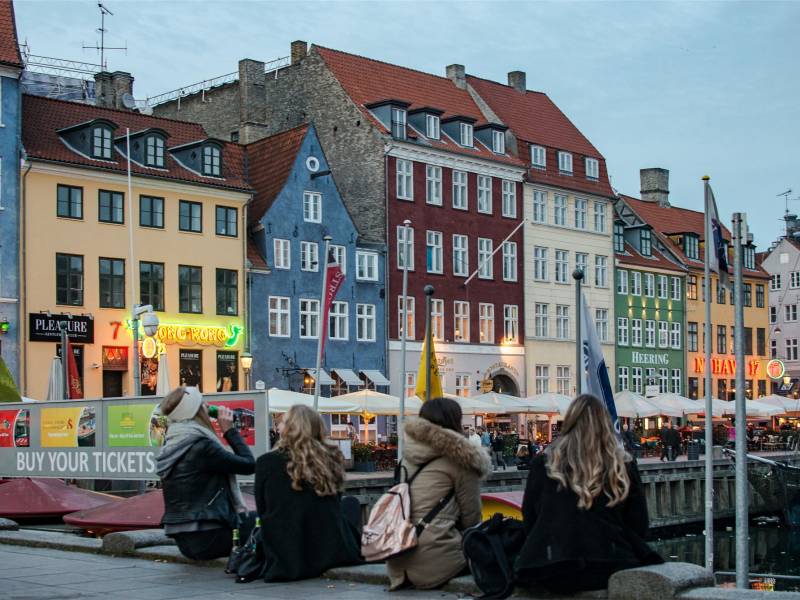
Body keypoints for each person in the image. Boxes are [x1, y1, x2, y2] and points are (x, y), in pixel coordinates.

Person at [516, 395, 662, 594]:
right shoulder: (622, 464)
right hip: (609, 562)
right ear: (606, 424)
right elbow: (638, 524)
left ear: (569, 422)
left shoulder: (544, 464)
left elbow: (530, 519)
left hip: (551, 567)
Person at [387, 397, 490, 590]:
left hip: (397, 562)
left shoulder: (406, 458)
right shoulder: (462, 461)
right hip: (436, 562)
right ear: (455, 422)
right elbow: (471, 518)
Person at [254, 404, 361, 581]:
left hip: (287, 552)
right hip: (329, 548)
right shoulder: (331, 458)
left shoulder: (266, 462)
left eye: (281, 422)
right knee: (349, 505)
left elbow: (262, 508)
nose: (278, 426)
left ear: (289, 428)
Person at [157, 386, 256, 561]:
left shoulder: (172, 443)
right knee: (265, 518)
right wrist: (229, 431)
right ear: (196, 411)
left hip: (185, 542)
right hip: (209, 537)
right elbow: (249, 465)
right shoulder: (201, 446)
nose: (207, 407)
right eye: (203, 404)